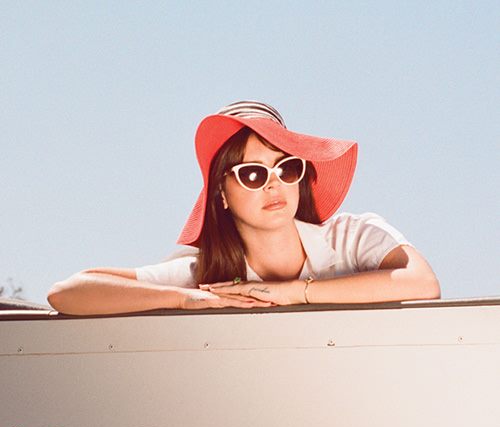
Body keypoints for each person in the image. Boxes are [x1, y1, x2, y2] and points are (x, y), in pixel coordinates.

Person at [47, 101, 440, 315]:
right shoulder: (207, 274)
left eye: (287, 168)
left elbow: (422, 283)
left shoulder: (352, 236)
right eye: (252, 173)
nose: (274, 183)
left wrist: (293, 293)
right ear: (222, 193)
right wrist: (184, 299)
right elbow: (67, 293)